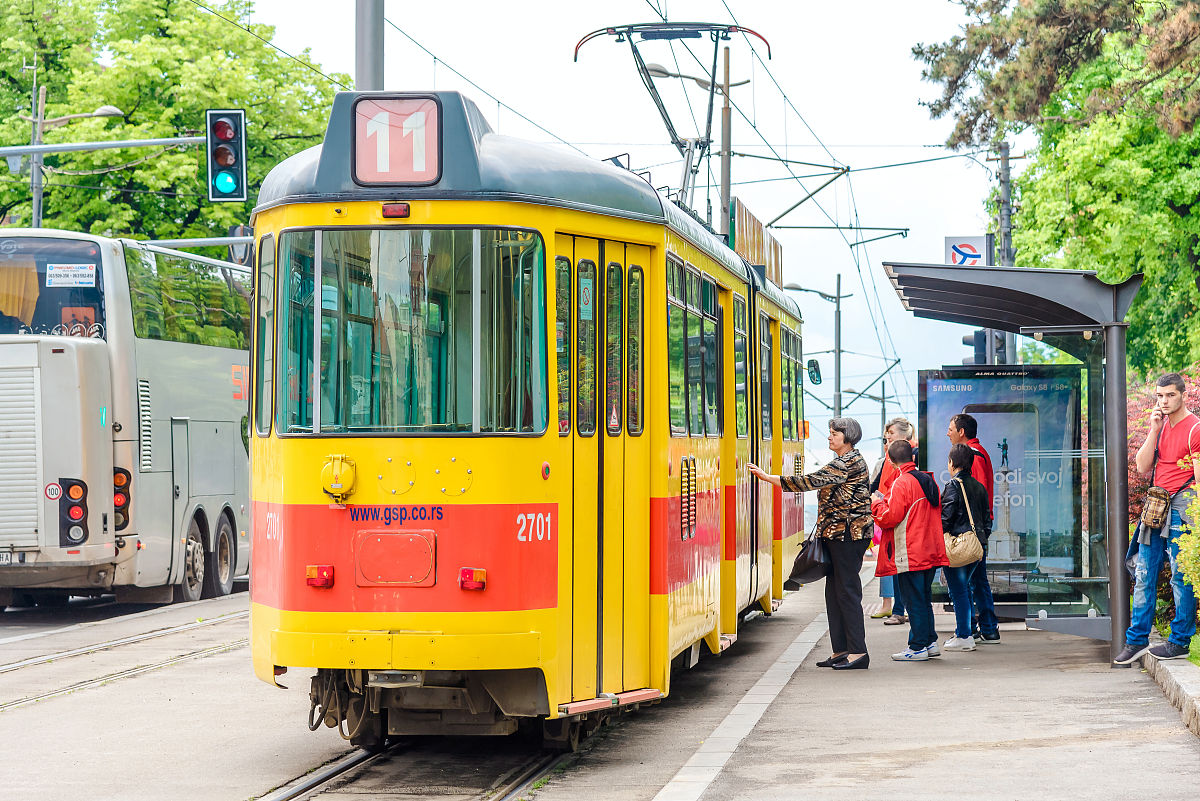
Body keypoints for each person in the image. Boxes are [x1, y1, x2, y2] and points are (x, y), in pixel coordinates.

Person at [748, 418, 873, 670]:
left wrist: (767, 477)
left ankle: (858, 652)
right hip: (838, 535)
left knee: (847, 591)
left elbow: (809, 481)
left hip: (849, 536)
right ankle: (841, 650)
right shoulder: (846, 460)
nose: (829, 437)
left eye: (834, 434)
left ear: (847, 437)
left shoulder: (847, 462)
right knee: (835, 592)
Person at [1113, 373, 1200, 664]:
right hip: (1156, 507)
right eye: (1160, 396)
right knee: (1143, 574)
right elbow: (1141, 466)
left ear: (1183, 395)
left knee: (1180, 577)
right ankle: (1136, 640)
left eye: (1170, 395)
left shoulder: (1194, 429)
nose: (1163, 401)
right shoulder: (1161, 426)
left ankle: (1179, 641)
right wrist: (1153, 428)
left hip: (1182, 507)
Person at [871, 439, 948, 661]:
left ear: (891, 461)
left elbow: (889, 517)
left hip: (910, 550)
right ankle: (930, 642)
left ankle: (917, 647)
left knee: (913, 599)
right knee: (923, 597)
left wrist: (876, 503)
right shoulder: (928, 479)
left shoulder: (902, 483)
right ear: (912, 457)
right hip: (929, 548)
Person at [947, 412, 1001, 644]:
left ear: (962, 431)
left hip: (971, 531)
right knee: (978, 578)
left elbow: (973, 496)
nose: (947, 432)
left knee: (973, 581)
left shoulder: (974, 457)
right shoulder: (980, 454)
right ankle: (986, 628)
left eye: (951, 428)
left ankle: (974, 628)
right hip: (978, 529)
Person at [939, 443, 991, 651]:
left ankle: (964, 635)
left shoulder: (953, 485)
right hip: (976, 547)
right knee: (966, 590)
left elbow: (946, 517)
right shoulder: (979, 486)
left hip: (958, 546)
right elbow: (987, 520)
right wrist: (981, 541)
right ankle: (967, 632)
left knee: (958, 592)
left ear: (952, 463)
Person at [870, 417, 914, 624]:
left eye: (892, 433)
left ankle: (899, 610)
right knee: (895, 563)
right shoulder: (887, 459)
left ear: (905, 436)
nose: (888, 437)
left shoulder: (907, 459)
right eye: (886, 434)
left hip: (898, 514)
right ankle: (897, 609)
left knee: (900, 564)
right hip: (889, 512)